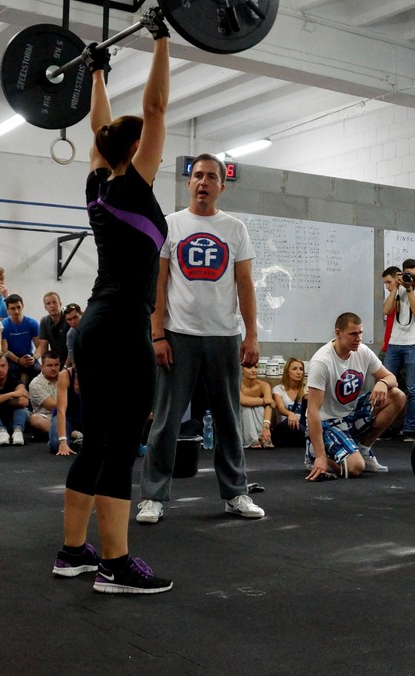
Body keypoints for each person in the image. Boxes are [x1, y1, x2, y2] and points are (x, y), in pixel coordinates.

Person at [53, 11, 173, 594]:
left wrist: (97, 72)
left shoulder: (98, 186)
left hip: (94, 324)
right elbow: (154, 111)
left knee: (96, 442)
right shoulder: (132, 184)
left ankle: (73, 552)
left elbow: (101, 131)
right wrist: (162, 39)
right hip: (122, 326)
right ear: (135, 149)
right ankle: (116, 565)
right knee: (121, 446)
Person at [136, 151, 264, 525]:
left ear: (222, 186)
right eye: (198, 176)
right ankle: (154, 496)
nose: (204, 182)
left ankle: (235, 493)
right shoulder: (170, 225)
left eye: (212, 177)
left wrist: (251, 335)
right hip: (179, 336)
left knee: (228, 419)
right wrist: (157, 334)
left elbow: (244, 284)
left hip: (224, 336)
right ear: (188, 182)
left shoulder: (235, 229)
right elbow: (157, 283)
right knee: (166, 419)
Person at [305, 312, 405, 480]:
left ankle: (364, 448)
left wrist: (383, 383)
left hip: (350, 414)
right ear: (338, 333)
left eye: (360, 333)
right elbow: (313, 410)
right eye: (353, 334)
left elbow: (391, 378)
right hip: (328, 422)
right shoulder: (322, 362)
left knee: (397, 395)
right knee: (356, 468)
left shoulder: (363, 351)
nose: (358, 338)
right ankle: (314, 454)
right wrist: (322, 457)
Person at [381, 258, 415, 442]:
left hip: (414, 343)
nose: (412, 277)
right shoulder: (398, 289)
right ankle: (384, 426)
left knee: (412, 388)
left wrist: (410, 289)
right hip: (395, 343)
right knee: (386, 385)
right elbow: (386, 310)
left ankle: (409, 429)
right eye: (408, 274)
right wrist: (396, 287)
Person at [1, 294, 42, 381]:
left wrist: (34, 358)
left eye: (18, 307)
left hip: (28, 356)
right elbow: (4, 349)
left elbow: (40, 346)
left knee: (38, 370)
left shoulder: (32, 323)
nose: (16, 311)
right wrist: (18, 360)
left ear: (22, 306)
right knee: (11, 371)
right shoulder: (4, 325)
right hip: (12, 358)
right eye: (12, 308)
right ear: (7, 310)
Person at [271, 357, 307, 447]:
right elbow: (280, 408)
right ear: (287, 372)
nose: (298, 372)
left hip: (302, 424)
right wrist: (290, 414)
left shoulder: (306, 389)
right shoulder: (278, 389)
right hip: (286, 425)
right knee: (290, 422)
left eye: (301, 369)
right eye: (294, 369)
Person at [239, 364, 275, 449]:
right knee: (246, 408)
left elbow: (269, 406)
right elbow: (243, 401)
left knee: (259, 407)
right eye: (249, 367)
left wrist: (266, 426)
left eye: (256, 367)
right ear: (241, 370)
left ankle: (263, 437)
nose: (253, 370)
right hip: (240, 416)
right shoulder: (237, 384)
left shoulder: (264, 385)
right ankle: (252, 439)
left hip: (263, 423)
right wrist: (264, 400)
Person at [54, 363, 85, 458]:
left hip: (85, 416)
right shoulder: (65, 375)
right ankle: (75, 437)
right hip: (68, 416)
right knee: (55, 444)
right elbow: (61, 410)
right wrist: (62, 441)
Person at [38, 292, 70, 364]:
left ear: (60, 304)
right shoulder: (44, 322)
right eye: (48, 303)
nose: (52, 306)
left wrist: (66, 366)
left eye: (54, 302)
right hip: (56, 362)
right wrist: (44, 366)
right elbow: (44, 348)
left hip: (74, 358)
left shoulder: (69, 318)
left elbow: (74, 346)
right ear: (45, 307)